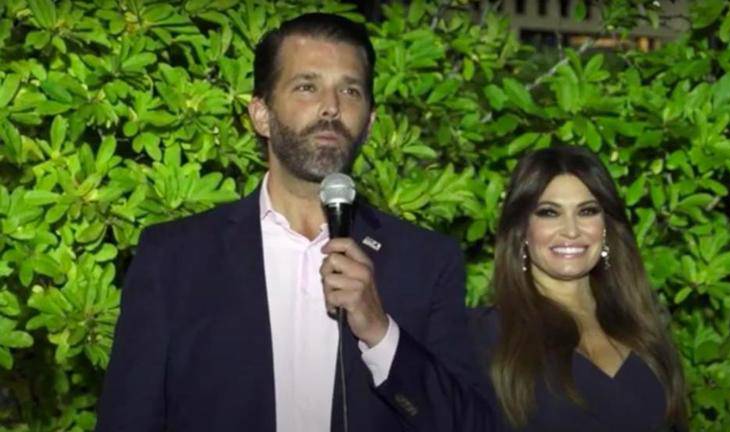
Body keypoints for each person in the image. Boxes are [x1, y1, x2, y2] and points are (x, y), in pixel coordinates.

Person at [96, 13, 491, 432]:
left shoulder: (426, 261)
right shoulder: (175, 258)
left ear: (370, 123)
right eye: (307, 86)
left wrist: (379, 332)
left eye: (350, 90)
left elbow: (470, 425)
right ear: (261, 115)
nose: (331, 107)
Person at [477, 145, 688, 431]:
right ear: (522, 230)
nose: (571, 230)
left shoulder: (643, 324)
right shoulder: (488, 336)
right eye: (549, 213)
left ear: (606, 227)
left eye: (587, 211)